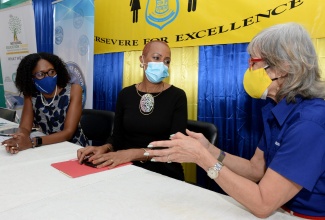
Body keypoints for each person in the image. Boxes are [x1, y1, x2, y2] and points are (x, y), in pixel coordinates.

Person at [146, 23, 325, 219]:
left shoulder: (309, 123)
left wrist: (202, 159)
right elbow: (255, 169)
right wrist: (208, 150)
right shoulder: (276, 110)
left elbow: (263, 203)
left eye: (253, 61)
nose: (248, 68)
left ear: (281, 68)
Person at [77, 40, 188, 181]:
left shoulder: (177, 96)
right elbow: (117, 137)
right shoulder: (126, 94)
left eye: (167, 61)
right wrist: (104, 148)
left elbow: (175, 147)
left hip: (162, 169)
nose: (162, 64)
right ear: (142, 59)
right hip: (125, 165)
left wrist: (132, 154)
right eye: (156, 58)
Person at [2, 52, 88, 154]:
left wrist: (32, 142)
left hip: (74, 148)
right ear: (31, 77)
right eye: (40, 74)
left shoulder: (74, 90)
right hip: (48, 146)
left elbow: (68, 133)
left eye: (51, 72)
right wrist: (20, 138)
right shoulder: (31, 94)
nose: (48, 77)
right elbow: (25, 127)